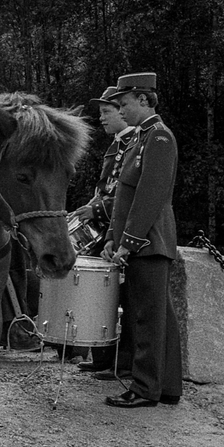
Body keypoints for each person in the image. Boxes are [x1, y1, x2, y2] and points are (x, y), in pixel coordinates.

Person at [101, 72, 183, 408]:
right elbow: (123, 199)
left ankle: (146, 387)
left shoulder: (159, 138)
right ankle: (166, 386)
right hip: (141, 242)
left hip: (150, 243)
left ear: (145, 100)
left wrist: (128, 243)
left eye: (124, 104)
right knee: (156, 314)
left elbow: (150, 197)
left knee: (148, 318)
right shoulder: (140, 139)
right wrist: (111, 236)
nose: (120, 111)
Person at [70, 86, 135, 373]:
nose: (103, 119)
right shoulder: (116, 147)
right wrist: (87, 209)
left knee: (122, 299)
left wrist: (97, 211)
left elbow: (129, 196)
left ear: (123, 112)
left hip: (123, 231)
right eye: (101, 113)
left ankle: (121, 362)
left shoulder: (136, 143)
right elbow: (105, 189)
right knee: (101, 296)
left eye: (107, 112)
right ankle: (102, 357)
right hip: (107, 230)